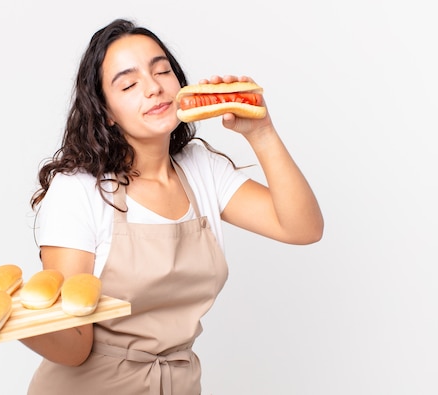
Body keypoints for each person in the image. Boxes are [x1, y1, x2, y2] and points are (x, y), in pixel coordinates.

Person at [20, 18, 323, 395]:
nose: (154, 87)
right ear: (107, 112)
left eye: (162, 70)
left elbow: (303, 228)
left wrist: (261, 132)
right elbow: (75, 345)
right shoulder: (78, 190)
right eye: (129, 84)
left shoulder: (201, 169)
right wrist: (21, 324)